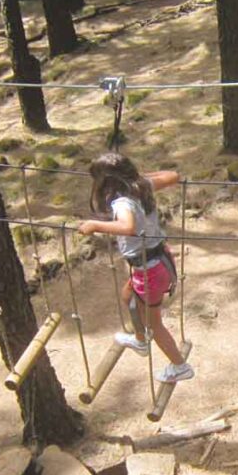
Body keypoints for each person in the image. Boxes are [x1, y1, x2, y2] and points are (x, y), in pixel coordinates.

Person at [77, 152, 193, 384]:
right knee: (127, 295)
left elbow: (127, 226)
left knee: (154, 323)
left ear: (106, 183)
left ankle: (180, 366)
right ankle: (140, 340)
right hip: (158, 261)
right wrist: (137, 178)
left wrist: (94, 225)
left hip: (149, 269)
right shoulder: (142, 187)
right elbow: (173, 176)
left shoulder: (122, 201)